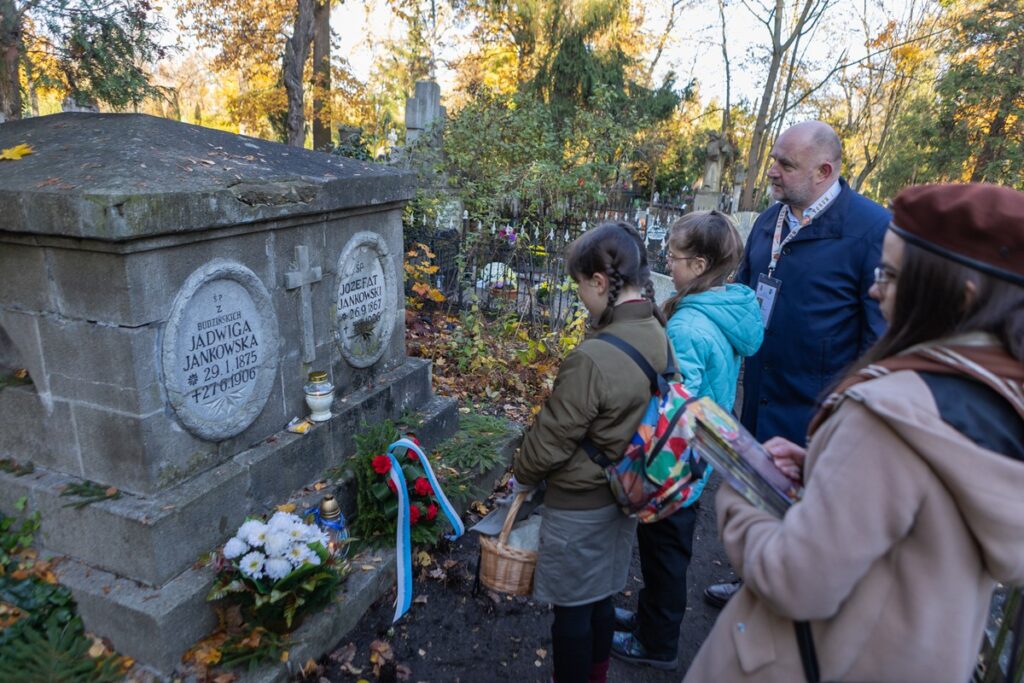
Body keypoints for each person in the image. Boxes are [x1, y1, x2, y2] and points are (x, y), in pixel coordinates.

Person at [683, 183, 1024, 682]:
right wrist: (826, 473)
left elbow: (793, 578)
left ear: (960, 297)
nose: (873, 288)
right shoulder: (999, 403)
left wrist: (743, 487)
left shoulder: (890, 415)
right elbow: (919, 524)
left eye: (889, 274)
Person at [706, 120, 889, 609]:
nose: (772, 172)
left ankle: (790, 614)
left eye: (785, 164)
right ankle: (752, 585)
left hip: (817, 413)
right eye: (774, 161)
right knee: (758, 502)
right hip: (760, 398)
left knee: (806, 521)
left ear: (824, 171)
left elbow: (880, 338)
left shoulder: (871, 230)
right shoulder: (771, 221)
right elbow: (745, 300)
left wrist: (850, 417)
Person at [512, 222, 671, 683]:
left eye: (580, 285)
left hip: (579, 505)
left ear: (600, 282)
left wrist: (521, 476)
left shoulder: (593, 358)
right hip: (623, 494)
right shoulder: (657, 329)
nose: (580, 295)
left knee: (572, 617)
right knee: (600, 600)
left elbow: (551, 439)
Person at [610, 211, 763, 669]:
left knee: (664, 556)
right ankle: (649, 619)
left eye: (673, 257)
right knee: (667, 550)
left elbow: (677, 399)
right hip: (699, 453)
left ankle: (657, 642)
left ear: (698, 264)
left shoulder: (688, 326)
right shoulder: (726, 306)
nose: (667, 264)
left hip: (675, 460)